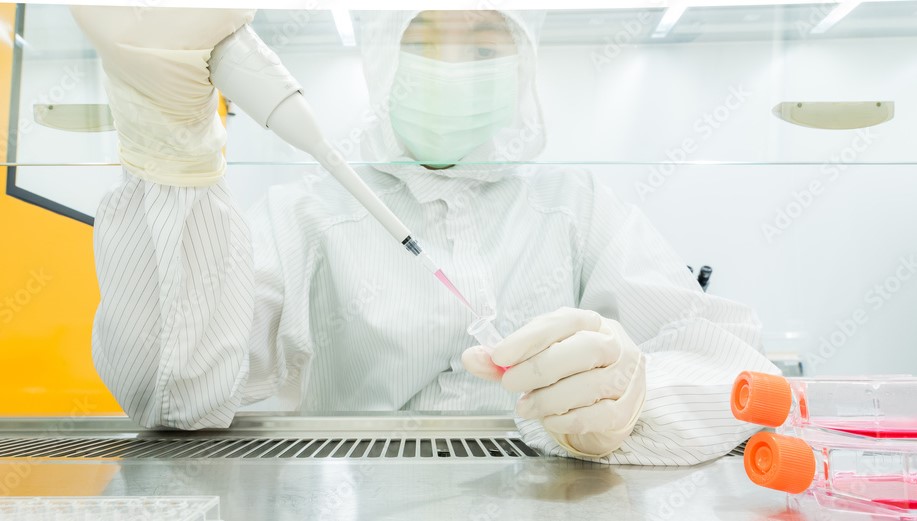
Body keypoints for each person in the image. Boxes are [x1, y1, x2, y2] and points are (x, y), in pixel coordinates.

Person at [72, 7, 778, 464]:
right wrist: (171, 148)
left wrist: (634, 397)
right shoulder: (304, 214)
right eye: (427, 40)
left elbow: (740, 371)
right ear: (385, 56)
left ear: (522, 62)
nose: (450, 68)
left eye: (482, 47)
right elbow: (172, 398)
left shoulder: (577, 207)